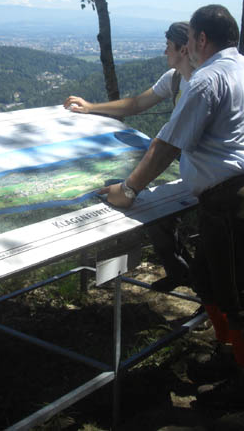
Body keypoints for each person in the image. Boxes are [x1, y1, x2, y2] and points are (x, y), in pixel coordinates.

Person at [99, 5, 244, 410]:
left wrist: (128, 190)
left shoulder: (206, 80)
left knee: (238, 297)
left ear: (200, 39)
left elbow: (166, 146)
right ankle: (227, 355)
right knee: (207, 280)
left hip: (234, 202)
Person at [64, 22, 196, 291]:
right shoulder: (174, 78)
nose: (164, 52)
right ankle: (180, 271)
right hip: (189, 165)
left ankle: (202, 293)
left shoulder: (202, 84)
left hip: (206, 172)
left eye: (168, 46)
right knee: (159, 218)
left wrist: (129, 188)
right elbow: (136, 103)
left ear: (183, 49)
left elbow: (167, 143)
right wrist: (91, 107)